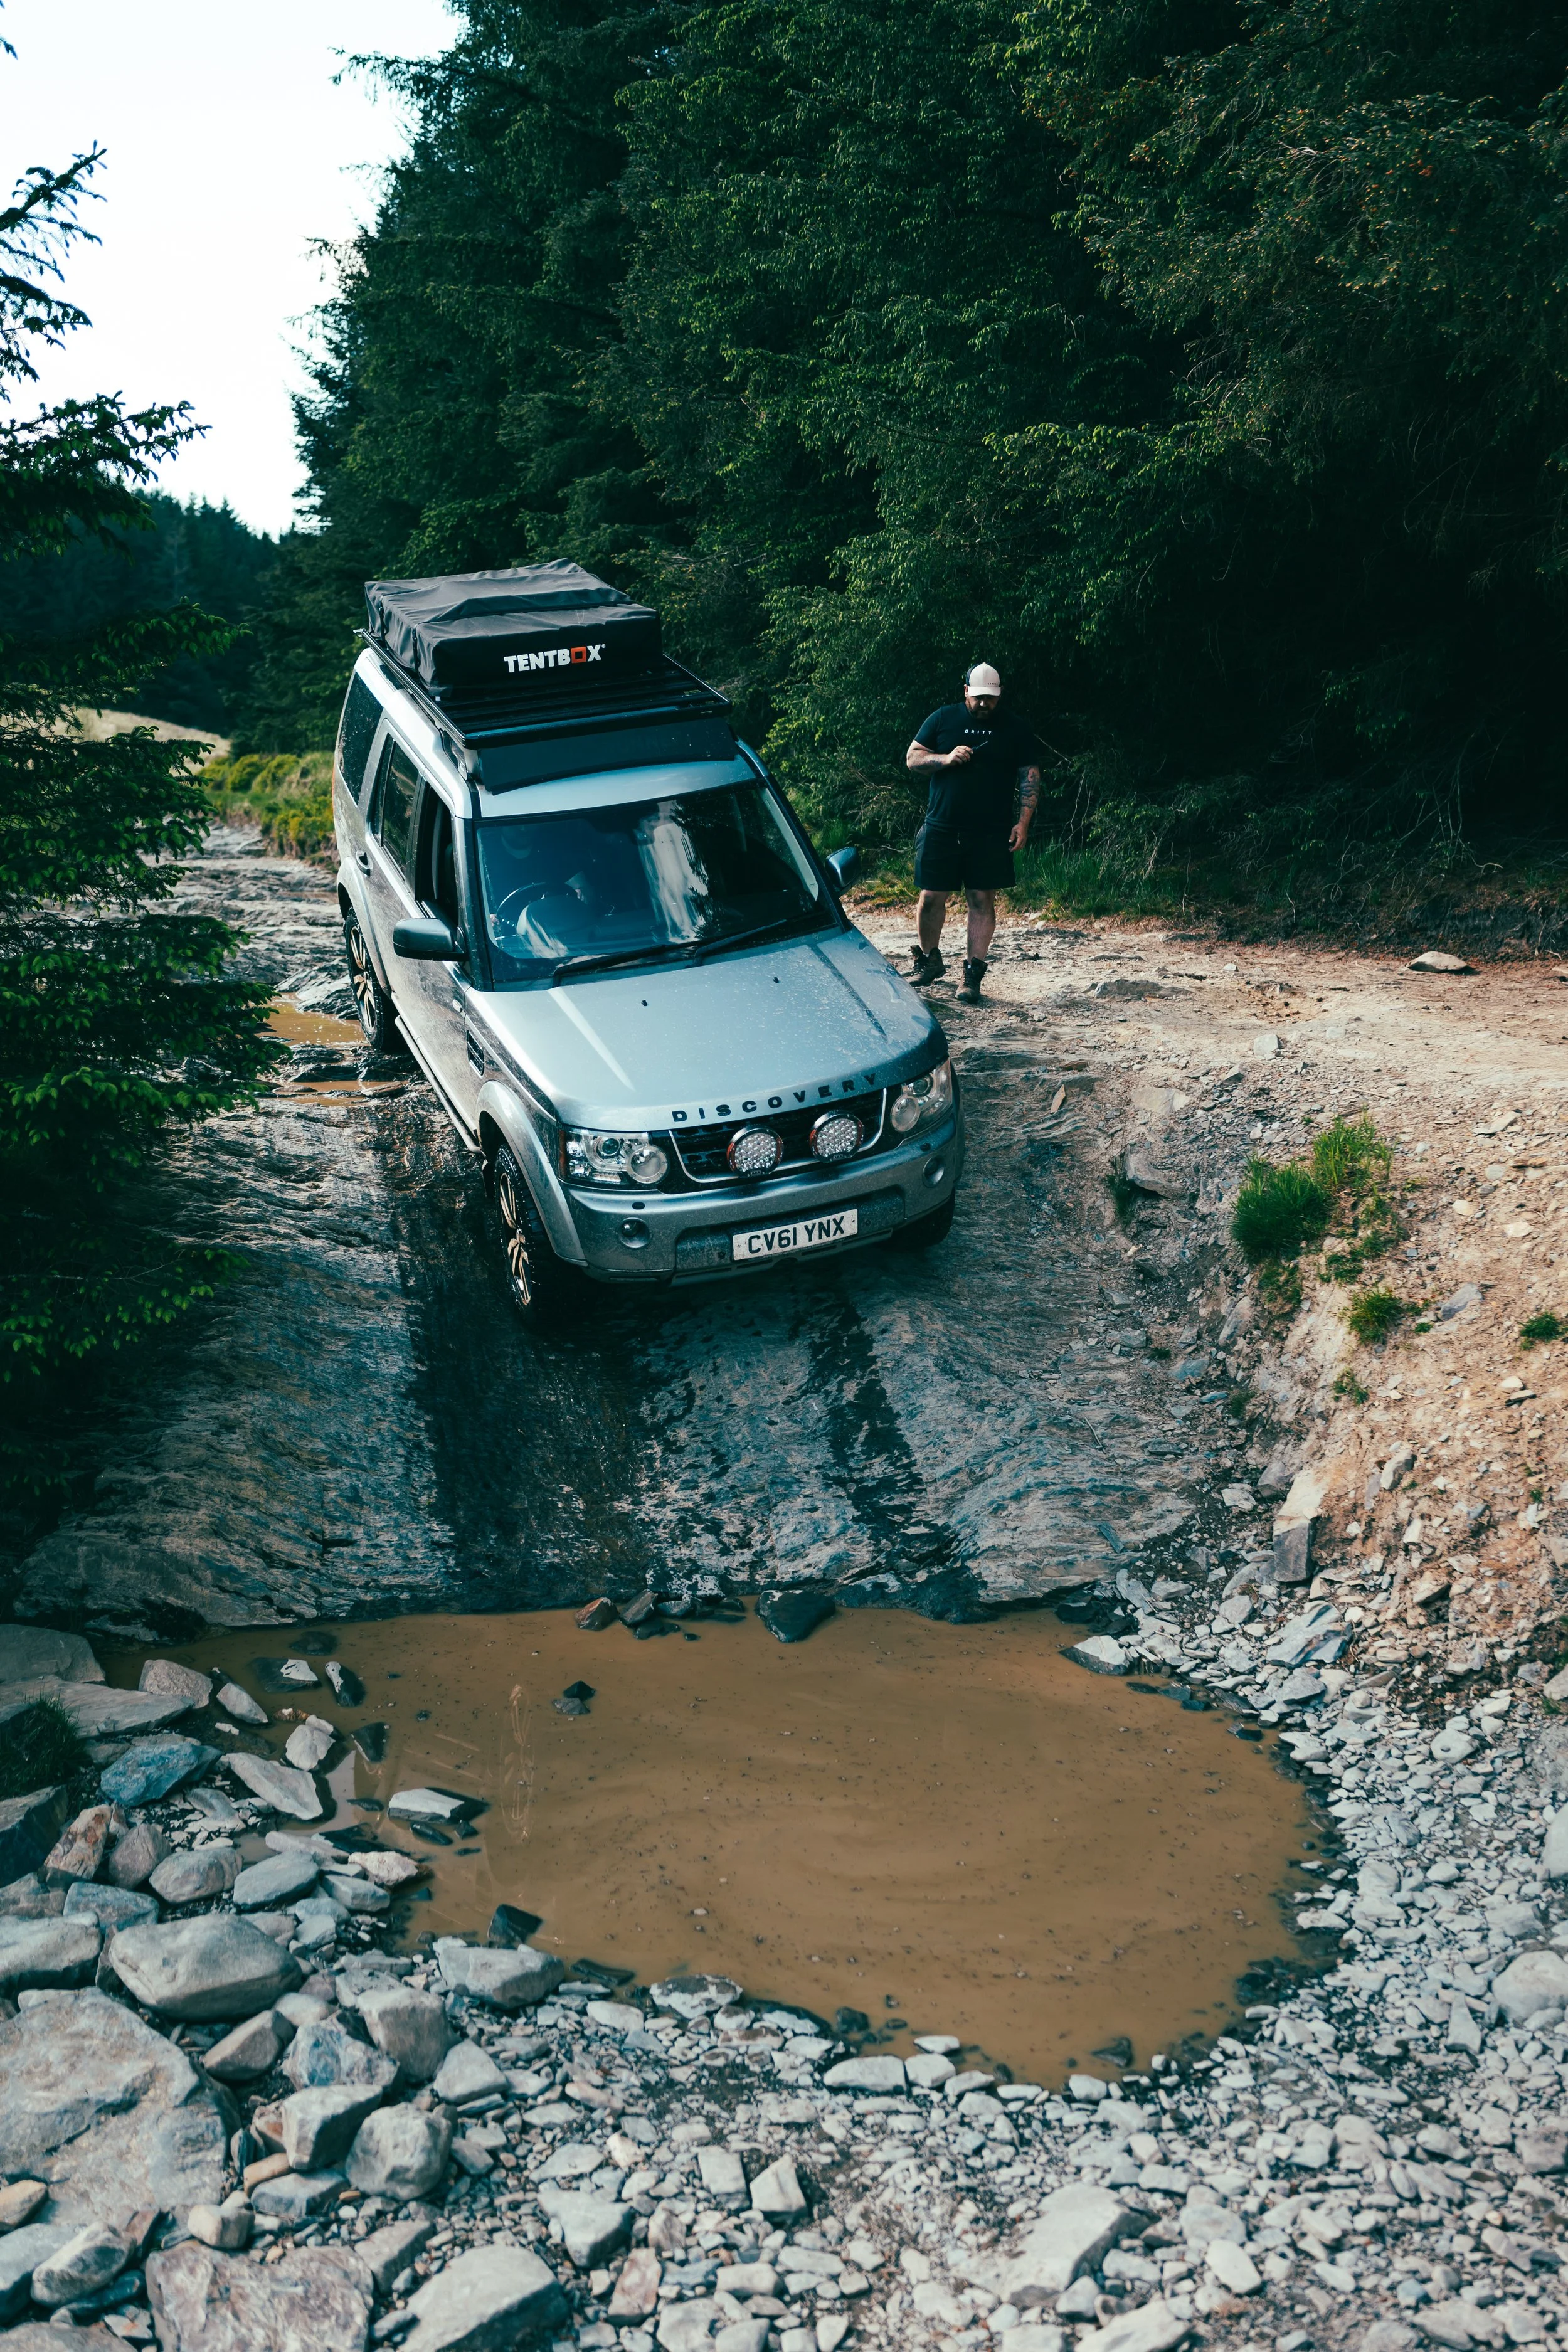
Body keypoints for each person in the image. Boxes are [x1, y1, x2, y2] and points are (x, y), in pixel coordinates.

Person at [905, 662, 1040, 1004]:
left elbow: (1029, 776)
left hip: (990, 832)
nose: (984, 704)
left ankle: (972, 975)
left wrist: (1023, 824)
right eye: (978, 697)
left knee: (981, 900)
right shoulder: (942, 719)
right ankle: (929, 961)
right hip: (942, 826)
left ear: (1000, 695)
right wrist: (945, 759)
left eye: (990, 699)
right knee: (931, 897)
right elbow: (912, 759)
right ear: (965, 691)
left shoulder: (1015, 728)